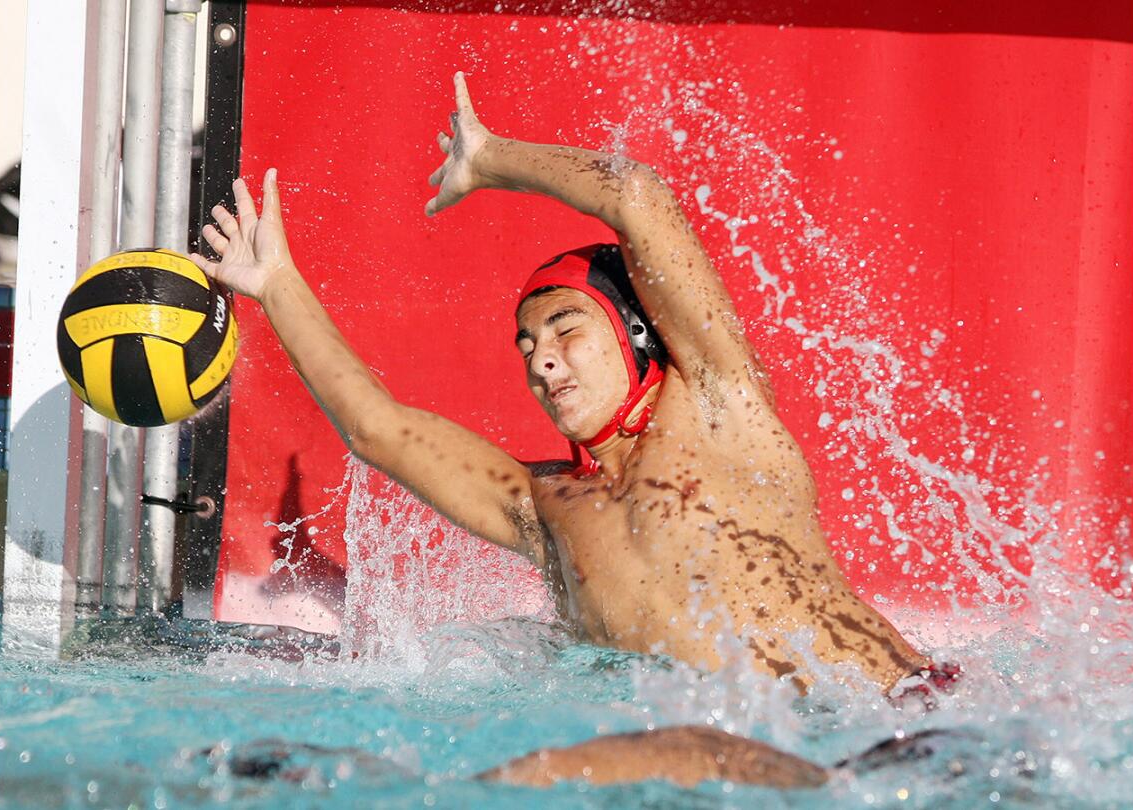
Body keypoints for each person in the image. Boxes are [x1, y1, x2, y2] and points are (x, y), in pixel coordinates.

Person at [190, 72, 957, 788]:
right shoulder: (544, 505)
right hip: (782, 764)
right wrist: (277, 285)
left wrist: (491, 158)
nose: (543, 362)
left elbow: (637, 196)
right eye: (527, 348)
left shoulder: (722, 409)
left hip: (913, 733)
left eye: (565, 331)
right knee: (637, 753)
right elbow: (377, 428)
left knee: (676, 747)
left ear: (635, 336)